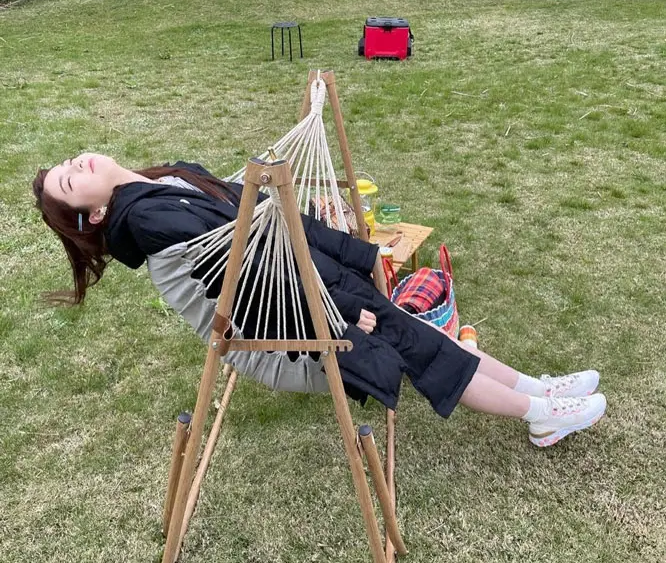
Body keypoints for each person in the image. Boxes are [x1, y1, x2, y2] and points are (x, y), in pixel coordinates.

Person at [33, 152, 607, 448]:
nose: (77, 165)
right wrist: (335, 319)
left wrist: (353, 258)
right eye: (69, 181)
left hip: (307, 282)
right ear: (96, 213)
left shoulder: (163, 182)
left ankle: (536, 389)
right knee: (420, 347)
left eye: (68, 163)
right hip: (290, 326)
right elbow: (244, 283)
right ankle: (539, 416)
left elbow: (269, 218)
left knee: (426, 335)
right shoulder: (147, 219)